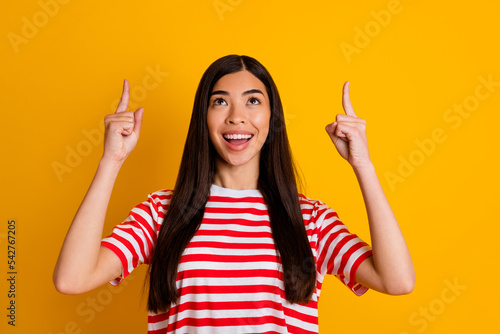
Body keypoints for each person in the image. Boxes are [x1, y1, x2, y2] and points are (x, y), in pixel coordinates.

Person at [53, 54, 415, 333]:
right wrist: (111, 161)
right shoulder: (161, 212)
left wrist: (362, 164)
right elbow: (72, 278)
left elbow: (396, 280)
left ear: (272, 119)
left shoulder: (310, 219)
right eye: (220, 101)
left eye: (253, 101)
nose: (237, 117)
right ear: (204, 117)